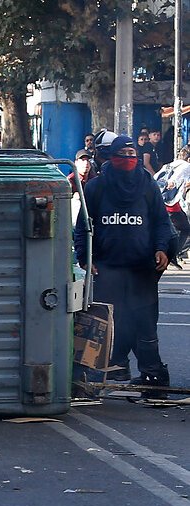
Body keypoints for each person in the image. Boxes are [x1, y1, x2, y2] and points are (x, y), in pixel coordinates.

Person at [74, 136, 172, 396]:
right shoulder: (96, 188)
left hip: (142, 268)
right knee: (109, 325)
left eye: (133, 152)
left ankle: (152, 375)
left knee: (144, 323)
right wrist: (86, 257)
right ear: (112, 157)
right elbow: (83, 226)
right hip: (108, 268)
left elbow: (162, 222)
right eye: (123, 153)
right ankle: (111, 371)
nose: (129, 157)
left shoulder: (147, 186)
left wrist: (162, 248)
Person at [154, 145, 190, 263]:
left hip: (162, 201)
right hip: (170, 204)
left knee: (175, 228)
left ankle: (172, 253)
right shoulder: (186, 166)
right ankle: (172, 254)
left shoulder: (171, 164)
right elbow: (173, 181)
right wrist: (172, 184)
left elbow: (157, 177)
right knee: (184, 229)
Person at [68, 149, 98, 226]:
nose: (86, 163)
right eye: (83, 160)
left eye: (88, 160)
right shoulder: (69, 181)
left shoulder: (96, 179)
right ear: (76, 163)